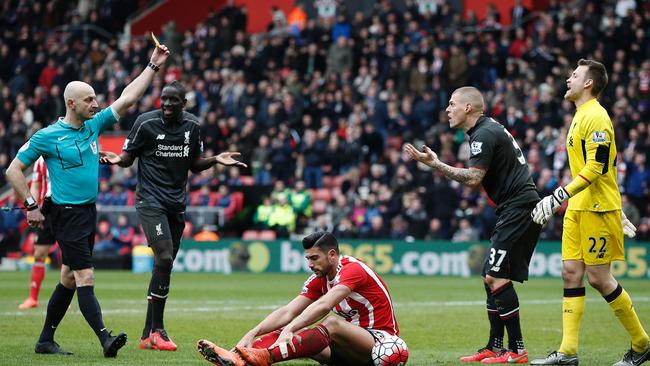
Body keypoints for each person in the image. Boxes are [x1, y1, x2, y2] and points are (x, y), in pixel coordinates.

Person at [4, 42, 170, 357]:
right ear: (71, 103)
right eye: (89, 99)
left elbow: (129, 97)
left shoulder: (92, 126)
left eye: (95, 98)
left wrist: (153, 64)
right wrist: (30, 205)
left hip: (86, 212)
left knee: (67, 277)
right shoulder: (47, 136)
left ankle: (45, 340)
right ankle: (105, 339)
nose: (95, 104)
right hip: (65, 213)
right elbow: (13, 170)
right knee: (85, 276)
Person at [99, 80, 247, 351]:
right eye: (163, 99)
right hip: (150, 200)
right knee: (165, 257)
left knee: (162, 265)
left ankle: (146, 335)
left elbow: (194, 165)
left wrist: (215, 159)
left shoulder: (192, 127)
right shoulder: (145, 123)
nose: (166, 104)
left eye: (172, 100)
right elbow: (128, 157)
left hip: (176, 203)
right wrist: (116, 160)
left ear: (184, 104)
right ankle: (158, 330)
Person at [404, 86, 541, 364]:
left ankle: (517, 349)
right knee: (489, 276)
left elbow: (473, 179)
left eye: (452, 104)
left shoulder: (483, 134)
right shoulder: (486, 130)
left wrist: (436, 164)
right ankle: (495, 346)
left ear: (468, 108)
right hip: (514, 207)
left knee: (495, 276)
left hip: (519, 207)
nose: (447, 109)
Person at [530, 59, 649, 366]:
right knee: (570, 273)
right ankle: (568, 352)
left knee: (599, 278)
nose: (568, 78)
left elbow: (597, 167)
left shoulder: (596, 116)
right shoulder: (580, 115)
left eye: (575, 75)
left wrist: (558, 196)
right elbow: (606, 164)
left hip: (596, 207)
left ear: (588, 84)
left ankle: (642, 343)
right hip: (579, 207)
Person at [195, 231, 404, 366]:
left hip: (379, 344)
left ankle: (265, 358)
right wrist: (252, 333)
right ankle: (237, 357)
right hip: (348, 352)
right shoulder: (320, 277)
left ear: (332, 255)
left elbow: (324, 305)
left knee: (331, 324)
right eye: (308, 259)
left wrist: (290, 329)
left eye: (314, 258)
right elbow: (288, 311)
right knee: (298, 332)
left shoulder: (353, 270)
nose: (310, 264)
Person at [18, 157, 54, 309]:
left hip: (67, 210)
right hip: (46, 211)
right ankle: (33, 298)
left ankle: (67, 299)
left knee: (68, 256)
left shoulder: (67, 150)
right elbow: (36, 185)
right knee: (39, 253)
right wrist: (33, 207)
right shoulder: (40, 160)